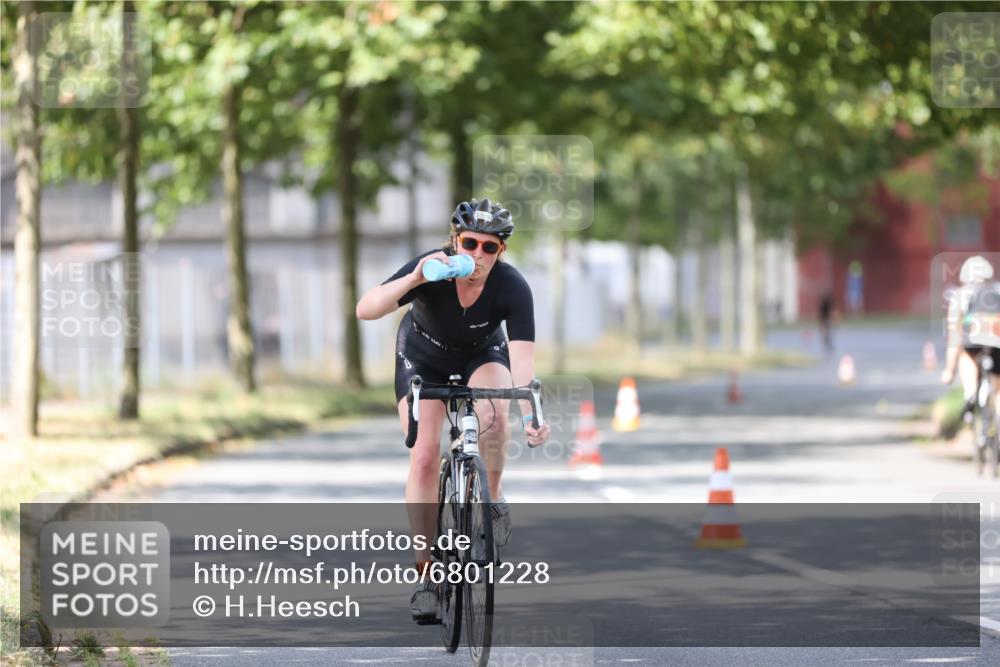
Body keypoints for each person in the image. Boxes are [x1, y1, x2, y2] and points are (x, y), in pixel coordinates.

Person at [355, 198, 551, 622]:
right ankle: (426, 573)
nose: (477, 255)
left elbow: (523, 368)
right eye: (470, 243)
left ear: (501, 252)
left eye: (489, 248)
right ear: (455, 241)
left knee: (495, 419)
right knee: (424, 456)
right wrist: (413, 278)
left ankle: (493, 499)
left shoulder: (512, 287)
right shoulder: (432, 268)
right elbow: (366, 309)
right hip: (422, 358)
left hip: (481, 355)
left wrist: (534, 417)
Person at [941, 255, 1000, 420]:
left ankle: (970, 392)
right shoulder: (998, 289)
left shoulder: (961, 294)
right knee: (998, 388)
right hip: (998, 339)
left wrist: (949, 370)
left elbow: (954, 334)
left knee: (966, 356)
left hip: (974, 338)